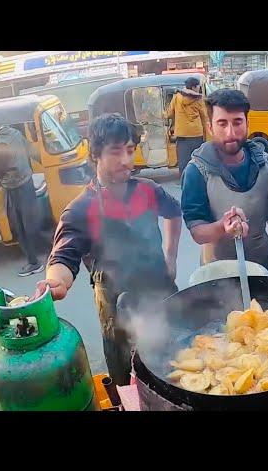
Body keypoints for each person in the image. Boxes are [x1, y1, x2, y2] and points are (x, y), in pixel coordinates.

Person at [35, 113, 182, 386]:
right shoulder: (81, 208)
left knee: (177, 357)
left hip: (158, 290)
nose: (127, 160)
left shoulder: (147, 190)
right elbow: (63, 255)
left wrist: (170, 257)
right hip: (115, 303)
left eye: (130, 150)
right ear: (96, 155)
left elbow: (174, 213)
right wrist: (56, 281)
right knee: (127, 373)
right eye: (116, 152)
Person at [181, 89, 268, 276]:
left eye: (237, 122)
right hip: (219, 272)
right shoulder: (197, 171)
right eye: (222, 124)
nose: (230, 132)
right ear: (210, 127)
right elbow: (197, 232)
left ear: (247, 123)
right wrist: (223, 226)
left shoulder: (265, 165)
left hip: (264, 264)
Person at [0, 115, 44, 277]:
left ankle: (34, 263)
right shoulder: (13, 132)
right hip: (27, 181)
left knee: (19, 227)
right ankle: (40, 253)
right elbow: (32, 151)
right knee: (29, 221)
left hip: (15, 188)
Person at [166, 76, 209, 176]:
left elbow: (169, 114)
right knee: (198, 160)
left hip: (182, 135)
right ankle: (198, 180)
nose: (199, 88)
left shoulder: (177, 97)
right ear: (194, 87)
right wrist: (206, 135)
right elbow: (204, 117)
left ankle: (185, 181)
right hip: (196, 134)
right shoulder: (199, 99)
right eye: (198, 86)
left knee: (183, 162)